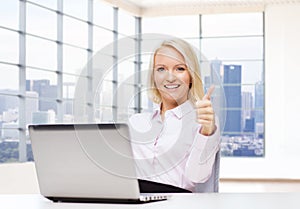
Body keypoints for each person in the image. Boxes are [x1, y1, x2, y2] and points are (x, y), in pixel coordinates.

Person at [128, 38, 220, 192]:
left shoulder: (204, 122)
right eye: (161, 69)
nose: (170, 77)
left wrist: (206, 133)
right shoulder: (136, 123)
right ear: (153, 76)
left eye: (179, 69)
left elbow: (197, 176)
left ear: (191, 75)